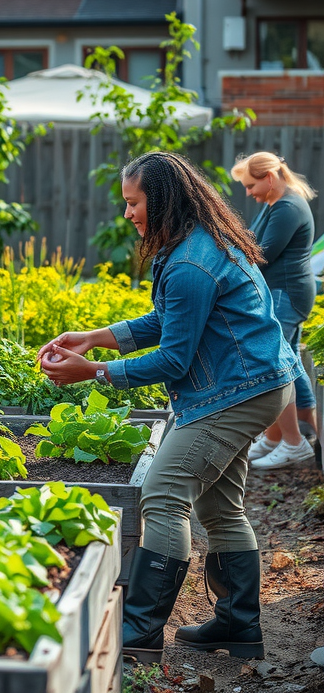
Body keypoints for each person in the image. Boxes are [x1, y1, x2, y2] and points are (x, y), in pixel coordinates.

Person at [39, 151, 300, 663]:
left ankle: (138, 633)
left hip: (239, 390)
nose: (128, 213)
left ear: (160, 200)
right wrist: (94, 338)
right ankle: (238, 627)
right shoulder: (193, 245)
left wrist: (91, 372)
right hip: (253, 383)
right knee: (219, 507)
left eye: (133, 203)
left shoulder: (189, 262)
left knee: (162, 493)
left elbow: (175, 359)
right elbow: (167, 320)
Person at [231, 152, 319, 470]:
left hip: (286, 294)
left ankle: (294, 443)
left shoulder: (287, 207)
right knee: (291, 364)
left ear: (269, 177)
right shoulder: (276, 204)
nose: (248, 192)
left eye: (251, 184)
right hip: (286, 293)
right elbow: (250, 242)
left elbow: (260, 254)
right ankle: (287, 438)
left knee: (274, 365)